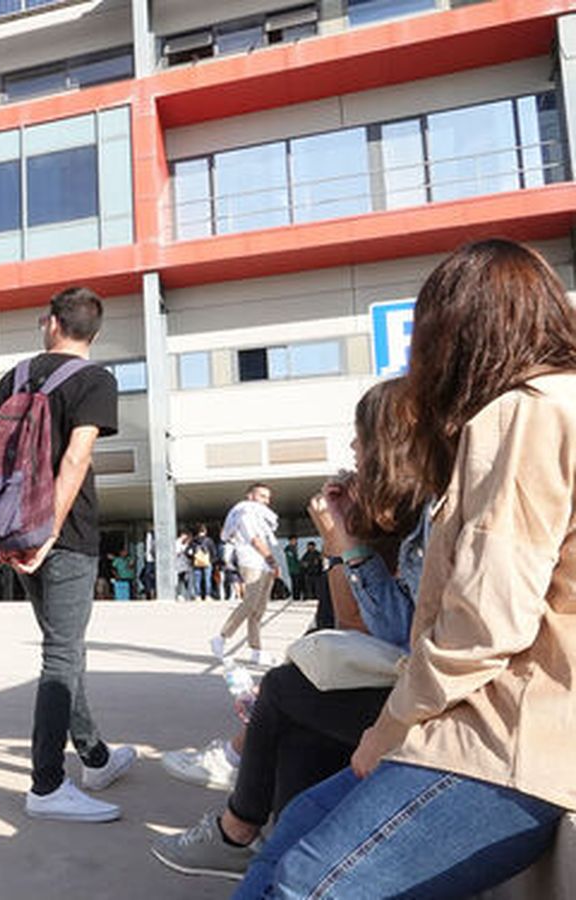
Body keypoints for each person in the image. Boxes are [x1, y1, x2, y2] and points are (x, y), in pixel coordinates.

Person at [239, 240, 576, 897]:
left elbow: (483, 625)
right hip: (485, 731)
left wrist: (385, 730)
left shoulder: (522, 412)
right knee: (302, 819)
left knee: (309, 881)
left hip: (507, 747)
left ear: (456, 333)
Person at [153, 379, 429, 881]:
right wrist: (341, 545)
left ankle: (240, 827)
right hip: (397, 686)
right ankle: (272, 853)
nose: (351, 450)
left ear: (390, 448)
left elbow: (375, 632)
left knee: (284, 693)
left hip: (428, 704)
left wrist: (341, 541)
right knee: (291, 715)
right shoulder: (389, 521)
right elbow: (331, 633)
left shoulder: (422, 522)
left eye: (359, 438)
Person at [0, 286, 136, 823]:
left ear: (50, 322)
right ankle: (47, 785)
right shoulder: (96, 379)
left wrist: (14, 532)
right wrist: (49, 532)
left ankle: (94, 756)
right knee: (63, 653)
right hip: (65, 534)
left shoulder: (16, 376)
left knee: (63, 647)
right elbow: (75, 461)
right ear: (92, 334)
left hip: (18, 528)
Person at [213, 484, 280, 665]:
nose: (266, 501)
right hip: (252, 562)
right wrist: (272, 560)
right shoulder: (245, 512)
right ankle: (221, 637)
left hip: (264, 565)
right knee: (250, 603)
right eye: (262, 496)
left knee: (258, 610)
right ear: (250, 496)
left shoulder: (259, 514)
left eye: (268, 497)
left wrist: (271, 563)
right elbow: (255, 540)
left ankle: (256, 651)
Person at [300, 541, 330, 628]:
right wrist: (305, 566)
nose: (310, 548)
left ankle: (316, 597)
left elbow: (321, 563)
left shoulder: (317, 554)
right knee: (309, 587)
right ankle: (310, 597)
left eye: (311, 546)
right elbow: (302, 562)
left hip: (317, 574)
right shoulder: (306, 554)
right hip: (309, 574)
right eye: (309, 546)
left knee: (317, 588)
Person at [188, 525, 216, 601]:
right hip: (207, 562)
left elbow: (187, 552)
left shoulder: (193, 541)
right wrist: (212, 561)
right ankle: (207, 595)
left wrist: (192, 559)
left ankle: (198, 596)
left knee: (197, 579)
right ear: (205, 531)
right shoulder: (209, 541)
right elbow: (213, 552)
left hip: (196, 563)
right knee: (207, 579)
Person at [175, 531, 193, 601]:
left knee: (187, 579)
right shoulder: (177, 542)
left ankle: (187, 594)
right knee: (180, 579)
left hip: (186, 564)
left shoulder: (188, 543)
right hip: (180, 564)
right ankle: (180, 594)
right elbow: (177, 552)